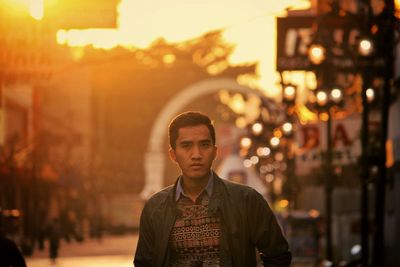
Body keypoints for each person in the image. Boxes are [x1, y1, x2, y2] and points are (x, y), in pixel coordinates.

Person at [134, 111, 291, 266]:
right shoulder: (155, 208)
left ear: (215, 152)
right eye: (186, 146)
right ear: (173, 154)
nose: (196, 154)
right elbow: (144, 263)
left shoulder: (247, 200)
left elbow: (278, 256)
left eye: (204, 145)